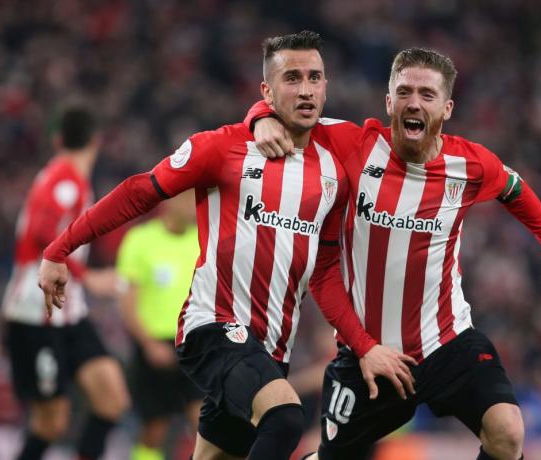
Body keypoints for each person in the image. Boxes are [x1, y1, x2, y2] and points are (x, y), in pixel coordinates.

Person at [37, 31, 416, 460]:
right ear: (267, 91)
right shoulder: (222, 147)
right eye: (292, 78)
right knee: (286, 417)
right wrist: (60, 249)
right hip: (212, 327)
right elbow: (139, 192)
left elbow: (324, 273)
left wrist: (363, 346)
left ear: (327, 85)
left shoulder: (338, 158)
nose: (307, 89)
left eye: (315, 77)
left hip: (271, 347)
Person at [247, 46, 541, 460]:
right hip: (369, 353)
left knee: (507, 431)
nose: (414, 103)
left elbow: (515, 189)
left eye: (427, 94)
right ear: (389, 101)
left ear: (447, 107)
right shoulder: (353, 144)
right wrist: (259, 118)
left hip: (447, 341)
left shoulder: (470, 164)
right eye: (404, 92)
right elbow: (286, 112)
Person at [0, 106, 130, 460]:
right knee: (51, 423)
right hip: (37, 311)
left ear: (58, 140)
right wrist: (90, 277)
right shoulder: (65, 181)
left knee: (111, 398)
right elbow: (44, 231)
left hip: (69, 312)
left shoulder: (62, 176)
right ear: (95, 141)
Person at [115, 190, 202, 460]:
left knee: (204, 424)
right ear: (168, 201)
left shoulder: (204, 240)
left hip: (195, 344)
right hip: (153, 346)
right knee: (154, 429)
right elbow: (127, 304)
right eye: (187, 198)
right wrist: (149, 344)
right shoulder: (140, 240)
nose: (192, 206)